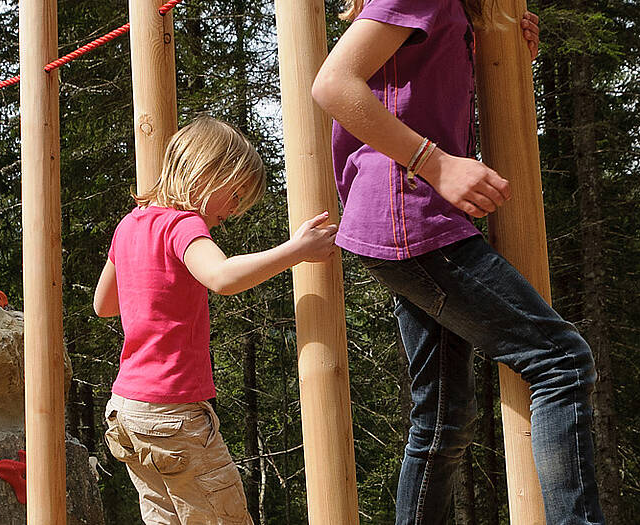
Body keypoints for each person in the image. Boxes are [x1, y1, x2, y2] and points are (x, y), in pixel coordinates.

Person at [311, 2, 606, 524]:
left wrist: (505, 56)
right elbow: (333, 83)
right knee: (561, 363)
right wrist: (438, 164)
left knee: (443, 415)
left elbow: (422, 94)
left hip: (407, 221)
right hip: (414, 217)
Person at [92, 117, 339, 524]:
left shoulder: (129, 225)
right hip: (174, 415)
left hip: (127, 413)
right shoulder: (182, 223)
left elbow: (104, 304)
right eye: (236, 192)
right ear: (206, 170)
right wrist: (298, 250)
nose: (236, 208)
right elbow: (222, 277)